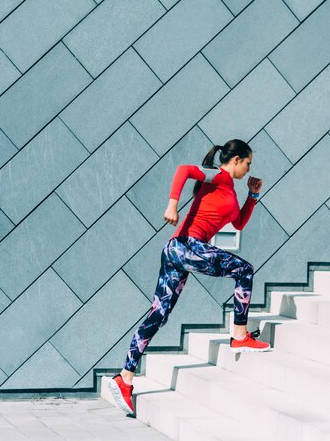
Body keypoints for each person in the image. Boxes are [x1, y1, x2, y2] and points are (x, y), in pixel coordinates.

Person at [108, 139, 270, 415]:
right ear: (235, 160)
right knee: (244, 270)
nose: (248, 169)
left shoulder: (230, 190)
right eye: (247, 163)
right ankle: (240, 334)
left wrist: (252, 196)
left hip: (177, 252)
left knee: (158, 316)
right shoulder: (218, 176)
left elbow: (239, 223)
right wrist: (172, 206)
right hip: (185, 245)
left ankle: (124, 378)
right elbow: (183, 169)